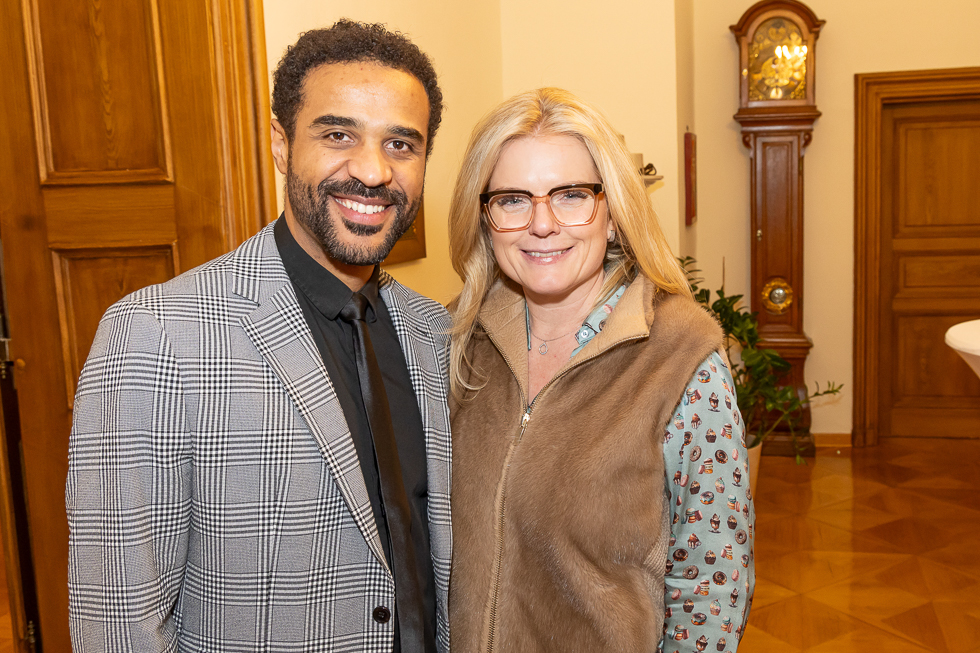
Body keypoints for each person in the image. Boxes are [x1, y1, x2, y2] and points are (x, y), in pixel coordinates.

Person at [66, 20, 450, 652]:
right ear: (280, 143)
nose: (373, 170)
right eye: (337, 135)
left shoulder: (435, 331)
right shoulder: (156, 336)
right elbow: (118, 621)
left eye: (401, 144)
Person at [446, 88, 755, 652]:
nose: (542, 224)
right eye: (513, 199)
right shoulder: (457, 344)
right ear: (486, 219)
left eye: (571, 196)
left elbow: (712, 588)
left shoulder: (682, 360)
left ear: (612, 215)